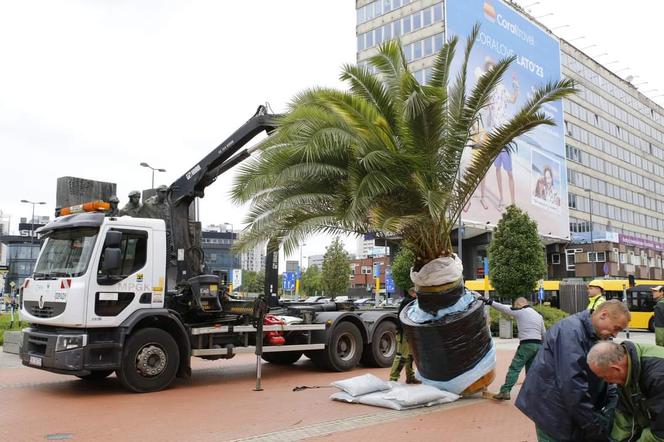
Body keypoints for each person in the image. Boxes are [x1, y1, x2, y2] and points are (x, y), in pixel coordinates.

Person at [515, 300, 631, 441]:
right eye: (616, 328)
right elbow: (572, 385)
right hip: (553, 411)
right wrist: (592, 427)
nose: (616, 334)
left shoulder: (597, 334)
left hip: (570, 409)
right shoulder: (570, 332)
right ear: (603, 315)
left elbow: (603, 373)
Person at [587, 340, 664, 441]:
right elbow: (624, 417)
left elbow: (660, 433)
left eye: (604, 377)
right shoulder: (627, 369)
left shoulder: (658, 377)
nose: (606, 381)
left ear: (616, 369)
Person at [477, 296, 545, 400]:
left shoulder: (521, 311)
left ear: (518, 304)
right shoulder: (538, 315)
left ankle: (505, 391)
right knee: (532, 370)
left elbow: (504, 308)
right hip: (538, 345)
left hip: (526, 344)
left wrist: (489, 302)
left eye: (515, 306)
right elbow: (544, 333)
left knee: (515, 368)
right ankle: (534, 393)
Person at [389, 287, 421, 384]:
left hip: (410, 333)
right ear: (412, 293)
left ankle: (410, 377)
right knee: (401, 356)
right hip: (404, 332)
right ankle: (393, 379)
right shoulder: (408, 302)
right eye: (417, 293)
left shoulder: (412, 301)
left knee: (410, 356)